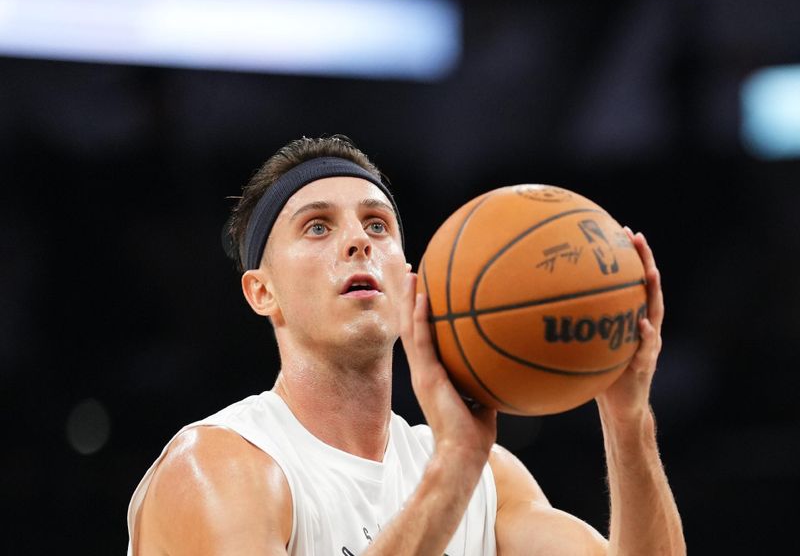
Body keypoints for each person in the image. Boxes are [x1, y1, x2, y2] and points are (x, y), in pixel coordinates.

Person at [127, 135, 685, 555]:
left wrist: (626, 414)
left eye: (377, 225)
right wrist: (453, 470)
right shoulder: (218, 467)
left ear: (411, 278)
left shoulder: (490, 479)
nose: (357, 242)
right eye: (317, 227)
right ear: (261, 291)